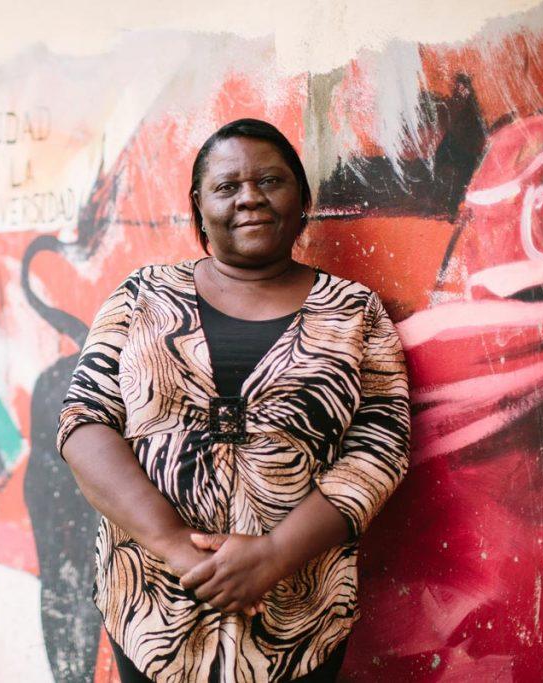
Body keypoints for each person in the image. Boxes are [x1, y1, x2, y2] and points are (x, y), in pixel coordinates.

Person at [57, 118, 411, 682]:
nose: (250, 198)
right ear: (198, 207)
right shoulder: (142, 296)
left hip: (300, 613)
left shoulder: (354, 312)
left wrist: (272, 555)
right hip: (153, 604)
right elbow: (84, 425)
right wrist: (175, 548)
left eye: (270, 181)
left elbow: (380, 449)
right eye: (227, 187)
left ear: (302, 199)